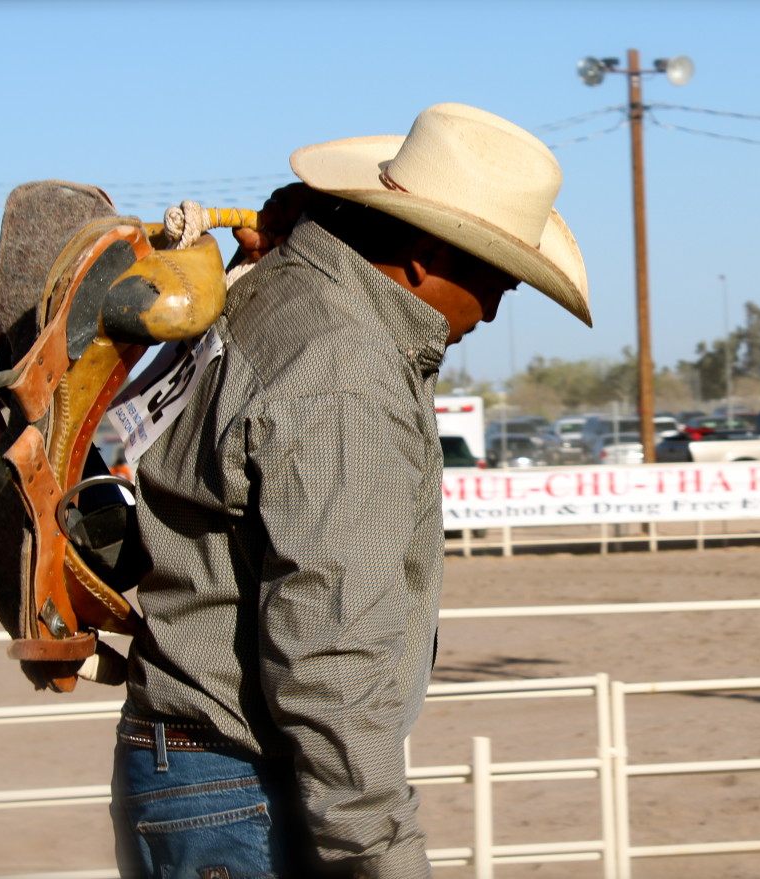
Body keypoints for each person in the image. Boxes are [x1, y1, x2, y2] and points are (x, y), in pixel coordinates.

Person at [109, 103, 589, 879]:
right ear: (426, 255)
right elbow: (331, 647)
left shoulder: (282, 290)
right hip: (248, 785)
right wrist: (380, 851)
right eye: (495, 277)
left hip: (204, 774)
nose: (496, 308)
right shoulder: (348, 375)